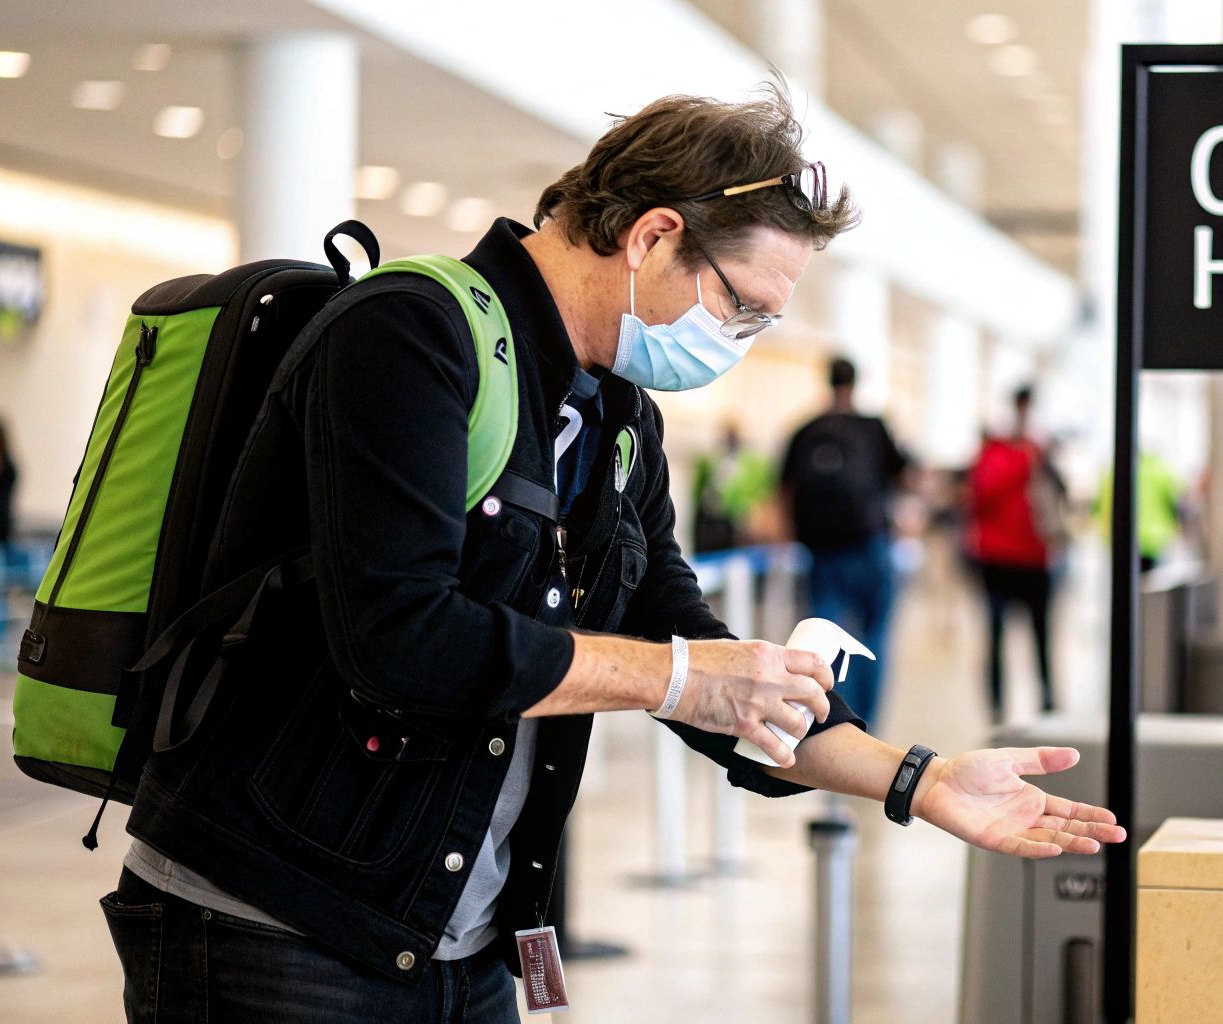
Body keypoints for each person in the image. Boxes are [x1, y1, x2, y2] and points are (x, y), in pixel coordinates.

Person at [106, 83, 1123, 1023]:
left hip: (454, 942)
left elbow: (690, 644)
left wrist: (918, 775)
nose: (746, 337)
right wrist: (674, 679)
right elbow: (400, 639)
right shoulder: (409, 336)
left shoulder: (618, 417)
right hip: (274, 923)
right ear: (651, 236)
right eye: (743, 307)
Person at [779, 356, 909, 728]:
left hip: (822, 553)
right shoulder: (873, 427)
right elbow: (902, 479)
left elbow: (784, 492)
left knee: (824, 644)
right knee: (874, 640)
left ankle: (832, 720)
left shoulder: (805, 431)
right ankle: (868, 726)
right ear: (855, 383)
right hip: (871, 547)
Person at [965, 386, 1066, 718]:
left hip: (1035, 559)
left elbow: (1058, 496)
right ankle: (996, 710)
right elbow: (980, 497)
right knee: (995, 636)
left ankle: (1049, 702)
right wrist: (1023, 461)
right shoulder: (996, 453)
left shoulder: (1041, 451)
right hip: (998, 560)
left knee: (1042, 635)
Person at [691, 422, 775, 554]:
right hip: (712, 519)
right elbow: (698, 493)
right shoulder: (709, 459)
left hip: (739, 521)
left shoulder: (754, 463)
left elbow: (764, 494)